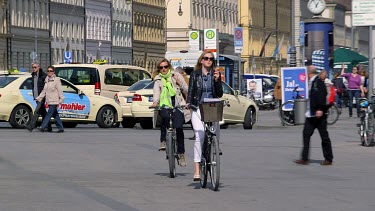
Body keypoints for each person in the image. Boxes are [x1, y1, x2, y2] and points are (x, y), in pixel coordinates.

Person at [187, 50, 223, 181]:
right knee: (200, 134)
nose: (209, 60)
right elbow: (191, 90)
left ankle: (215, 145)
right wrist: (189, 103)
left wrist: (217, 80)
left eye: (211, 59)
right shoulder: (195, 74)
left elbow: (219, 94)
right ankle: (197, 169)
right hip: (198, 107)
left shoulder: (216, 74)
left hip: (211, 107)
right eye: (206, 58)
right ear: (201, 60)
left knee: (215, 129)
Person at [152, 59, 190, 167]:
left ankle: (181, 154)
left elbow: (186, 89)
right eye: (161, 67)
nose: (163, 69)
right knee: (164, 116)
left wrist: (180, 84)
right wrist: (155, 102)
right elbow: (156, 92)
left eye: (165, 67)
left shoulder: (176, 76)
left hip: (178, 104)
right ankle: (163, 140)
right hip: (165, 104)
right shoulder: (158, 79)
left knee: (179, 128)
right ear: (158, 69)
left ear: (169, 67)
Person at [294, 65, 333, 166]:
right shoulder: (312, 82)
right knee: (306, 134)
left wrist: (320, 109)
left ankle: (328, 158)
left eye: (306, 72)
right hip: (310, 114)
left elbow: (322, 95)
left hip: (318, 114)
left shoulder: (318, 82)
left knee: (324, 136)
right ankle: (304, 158)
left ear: (309, 73)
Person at [36, 66, 65, 133]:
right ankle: (61, 128)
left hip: (55, 101)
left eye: (51, 71)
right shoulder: (47, 80)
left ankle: (42, 127)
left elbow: (60, 90)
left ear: (53, 72)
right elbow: (44, 91)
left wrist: (61, 99)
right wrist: (39, 98)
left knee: (49, 114)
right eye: (48, 71)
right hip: (49, 101)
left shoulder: (56, 80)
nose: (49, 72)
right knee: (55, 115)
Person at [26, 63, 52, 132]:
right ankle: (48, 126)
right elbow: (33, 86)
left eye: (35, 67)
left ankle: (31, 126)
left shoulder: (43, 75)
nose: (33, 68)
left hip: (42, 96)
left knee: (37, 111)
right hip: (36, 96)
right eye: (32, 67)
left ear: (38, 67)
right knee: (43, 112)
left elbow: (47, 86)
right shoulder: (33, 75)